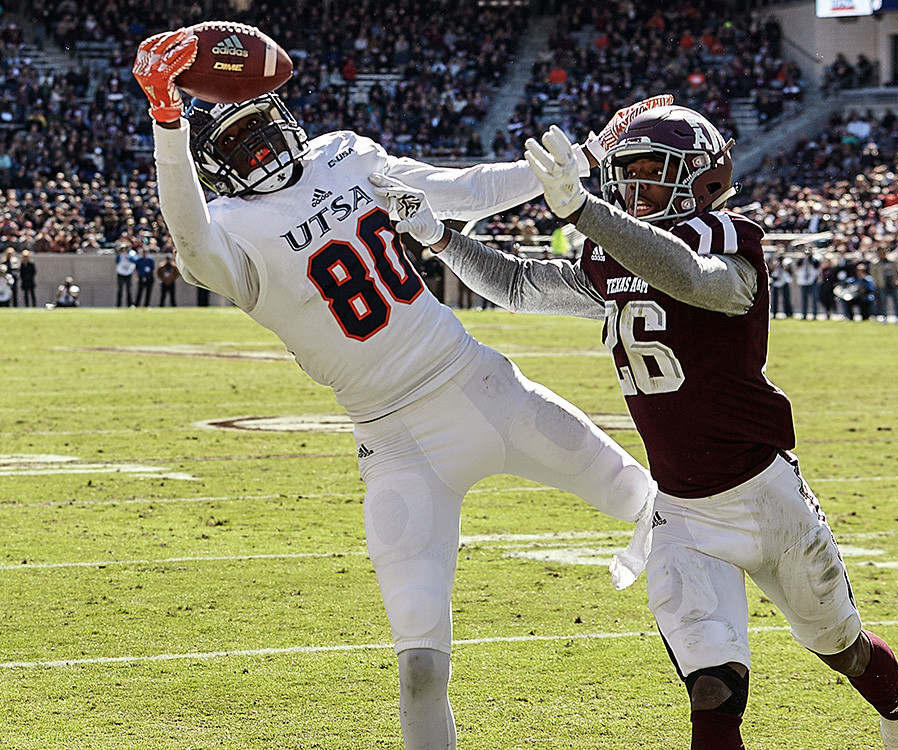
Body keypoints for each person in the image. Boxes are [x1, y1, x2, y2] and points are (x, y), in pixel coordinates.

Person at [133, 29, 664, 750]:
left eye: (260, 126)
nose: (259, 148)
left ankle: (723, 657)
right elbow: (190, 240)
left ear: (286, 116)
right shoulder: (227, 231)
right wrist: (168, 121)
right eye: (237, 144)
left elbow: (465, 191)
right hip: (395, 445)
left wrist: (585, 160)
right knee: (418, 667)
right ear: (214, 172)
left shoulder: (347, 155)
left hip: (479, 384)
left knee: (657, 509)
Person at [374, 106, 898, 750]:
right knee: (713, 691)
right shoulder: (612, 250)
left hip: (764, 493)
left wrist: (586, 212)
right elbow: (522, 284)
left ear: (699, 176)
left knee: (843, 649)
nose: (633, 190)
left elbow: (696, 281)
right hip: (683, 509)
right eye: (625, 174)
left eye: (650, 173)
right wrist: (440, 237)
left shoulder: (728, 234)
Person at [115, 240, 137, 307]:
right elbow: (117, 261)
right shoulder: (120, 254)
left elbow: (134, 260)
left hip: (128, 273)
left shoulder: (132, 253)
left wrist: (128, 256)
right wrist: (119, 253)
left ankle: (129, 304)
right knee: (120, 290)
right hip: (120, 273)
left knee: (129, 290)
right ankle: (118, 305)